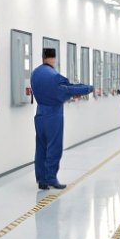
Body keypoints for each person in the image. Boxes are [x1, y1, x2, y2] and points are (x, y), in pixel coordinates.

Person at [31, 48, 93, 190]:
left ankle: (42, 180)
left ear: (43, 57)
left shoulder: (35, 73)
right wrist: (87, 88)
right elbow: (67, 90)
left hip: (40, 114)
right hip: (53, 115)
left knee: (41, 147)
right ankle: (51, 178)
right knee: (54, 146)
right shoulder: (53, 75)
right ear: (53, 59)